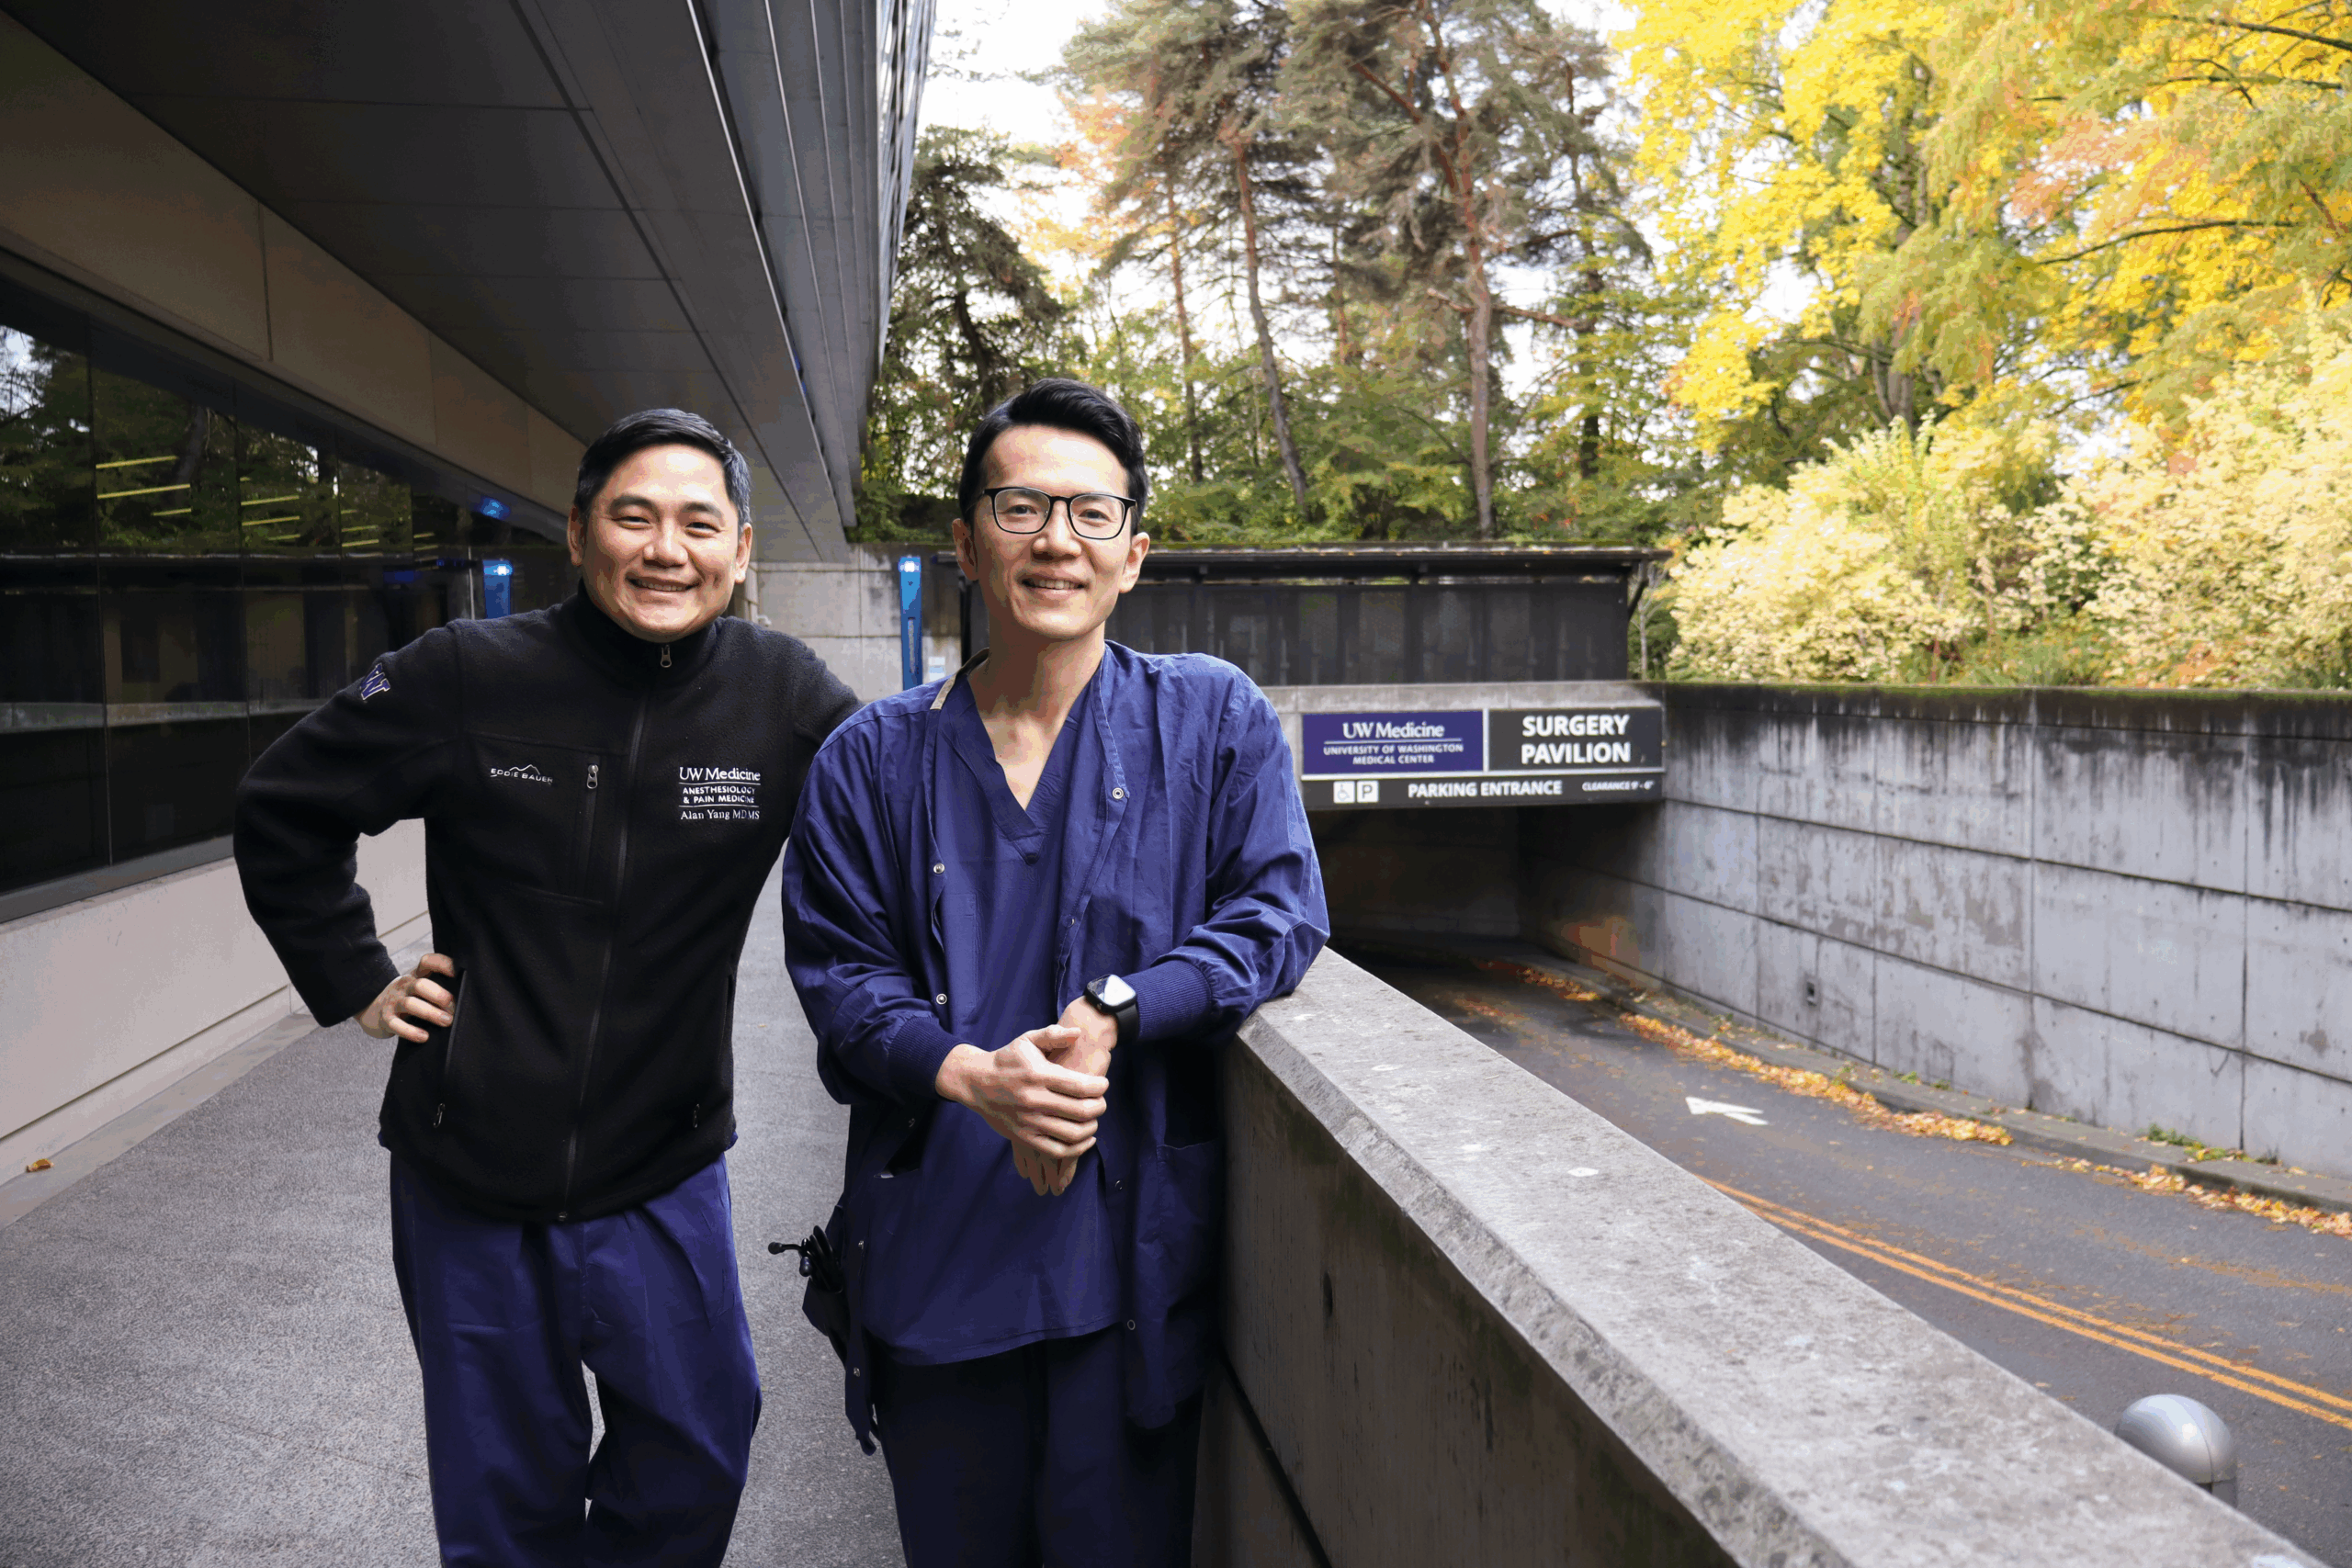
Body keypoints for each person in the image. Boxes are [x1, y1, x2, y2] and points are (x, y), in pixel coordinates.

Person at [233, 408, 859, 1565]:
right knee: (504, 1496)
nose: (665, 549)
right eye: (633, 517)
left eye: (696, 524)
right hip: (467, 1164)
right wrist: (358, 975)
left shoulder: (784, 696)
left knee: (699, 1447)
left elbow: (911, 820)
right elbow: (283, 807)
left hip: (663, 1165)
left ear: (740, 549)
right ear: (577, 535)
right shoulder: (467, 672)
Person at [781, 378, 1329, 1567]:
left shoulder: (1210, 719)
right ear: (968, 542)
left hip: (1118, 1292)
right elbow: (840, 979)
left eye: (1090, 513)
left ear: (1135, 553)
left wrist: (1120, 1005)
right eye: (1021, 506)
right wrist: (970, 1073)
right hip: (936, 1282)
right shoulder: (870, 760)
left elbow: (1280, 913)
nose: (1055, 540)